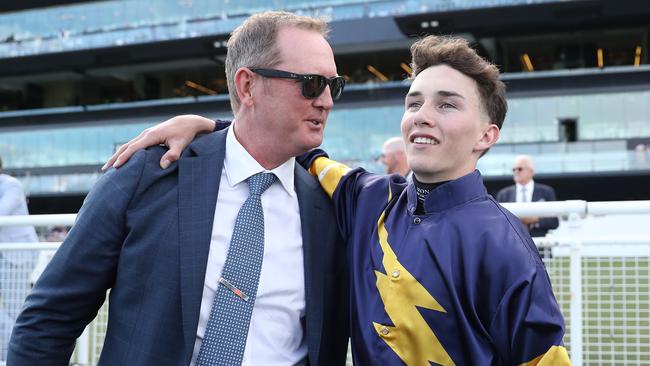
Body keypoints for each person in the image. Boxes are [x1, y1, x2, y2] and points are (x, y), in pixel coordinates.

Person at [107, 35, 571, 365]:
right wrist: (208, 125)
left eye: (447, 105)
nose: (422, 117)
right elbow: (285, 140)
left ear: (487, 136)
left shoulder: (506, 246)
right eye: (414, 103)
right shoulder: (366, 196)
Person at [9, 11, 349, 366]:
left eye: (334, 85)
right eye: (311, 83)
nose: (326, 101)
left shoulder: (332, 207)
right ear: (248, 86)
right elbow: (50, 319)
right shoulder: (149, 174)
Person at [0, 156, 38, 358]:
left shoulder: (11, 185)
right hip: (2, 256)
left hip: (17, 255)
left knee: (17, 311)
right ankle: (8, 352)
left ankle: (17, 355)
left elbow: (1, 213)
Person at [496, 155, 559, 237]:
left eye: (520, 169)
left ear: (531, 171)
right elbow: (498, 222)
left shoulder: (546, 192)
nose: (516, 172)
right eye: (514, 169)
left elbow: (554, 221)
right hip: (512, 243)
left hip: (540, 243)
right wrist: (517, 220)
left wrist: (535, 220)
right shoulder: (504, 194)